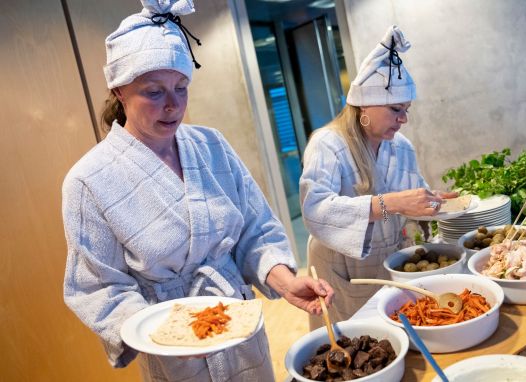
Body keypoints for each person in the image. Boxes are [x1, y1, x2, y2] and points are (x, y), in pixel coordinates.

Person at [62, 1, 333, 381]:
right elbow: (99, 286)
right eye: (154, 92)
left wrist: (284, 280)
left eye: (181, 87)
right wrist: (159, 336)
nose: (173, 105)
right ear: (120, 91)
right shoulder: (88, 180)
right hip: (171, 346)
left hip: (238, 326)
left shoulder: (212, 146)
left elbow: (254, 231)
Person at [299, 25, 457, 329]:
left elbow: (411, 196)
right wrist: (391, 203)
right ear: (364, 106)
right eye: (396, 109)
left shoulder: (401, 147)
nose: (404, 119)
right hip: (343, 271)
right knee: (356, 349)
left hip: (391, 264)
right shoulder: (327, 145)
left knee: (397, 335)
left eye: (407, 109)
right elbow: (315, 210)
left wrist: (432, 200)